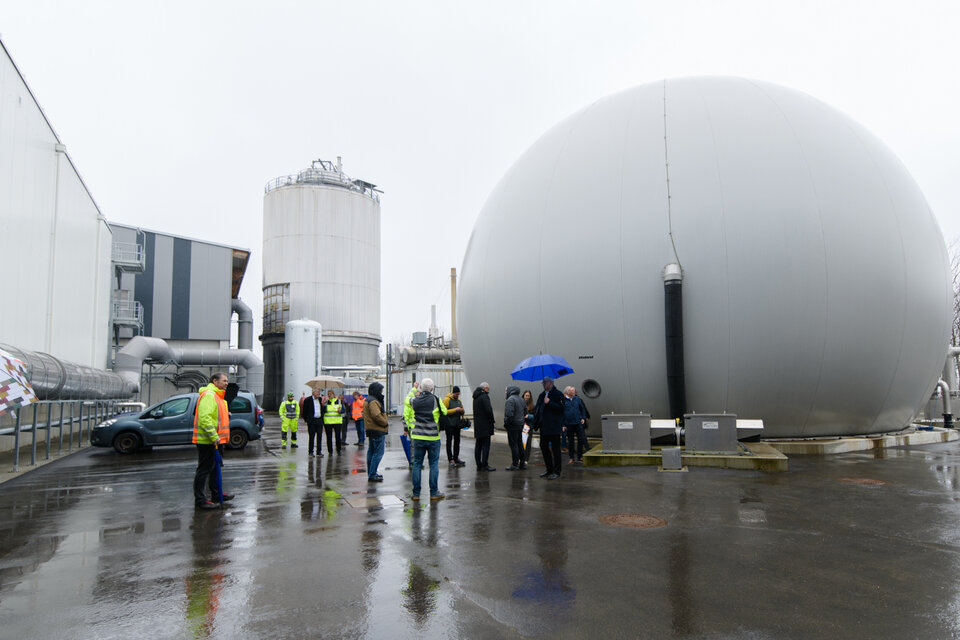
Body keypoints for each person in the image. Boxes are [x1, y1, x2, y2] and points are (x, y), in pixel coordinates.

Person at [193, 372, 233, 509]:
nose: (226, 383)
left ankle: (217, 494)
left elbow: (215, 416)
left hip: (217, 441)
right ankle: (200, 501)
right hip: (208, 441)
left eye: (227, 381)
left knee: (215, 468)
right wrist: (213, 436)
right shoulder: (210, 395)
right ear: (215, 381)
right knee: (204, 470)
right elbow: (204, 418)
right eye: (224, 381)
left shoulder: (218, 396)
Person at [409, 378, 448, 500]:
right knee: (433, 464)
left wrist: (413, 389)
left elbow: (407, 401)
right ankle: (433, 492)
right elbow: (445, 412)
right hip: (433, 437)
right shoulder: (436, 399)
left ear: (421, 388)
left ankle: (416, 494)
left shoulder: (415, 400)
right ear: (432, 389)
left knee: (417, 464)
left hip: (418, 436)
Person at [534, 377, 566, 479]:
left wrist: (550, 403)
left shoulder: (558, 394)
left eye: (545, 382)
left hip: (554, 426)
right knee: (543, 446)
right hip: (544, 426)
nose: (543, 384)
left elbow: (562, 408)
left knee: (556, 449)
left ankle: (557, 471)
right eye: (542, 382)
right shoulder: (541, 395)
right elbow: (538, 409)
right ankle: (549, 469)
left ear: (551, 383)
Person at [363, 382, 389, 481]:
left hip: (372, 429)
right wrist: (385, 422)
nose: (382, 393)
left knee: (372, 452)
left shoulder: (368, 399)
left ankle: (371, 472)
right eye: (381, 391)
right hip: (377, 430)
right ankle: (372, 474)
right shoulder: (373, 401)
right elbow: (376, 415)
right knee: (378, 453)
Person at [472, 383, 496, 471]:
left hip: (478, 425)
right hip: (485, 425)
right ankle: (485, 464)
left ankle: (479, 464)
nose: (488, 390)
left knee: (478, 445)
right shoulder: (484, 396)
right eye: (488, 389)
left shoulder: (475, 397)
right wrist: (492, 420)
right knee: (486, 445)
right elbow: (488, 410)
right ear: (485, 388)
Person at [441, 386, 466, 466]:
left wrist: (462, 410)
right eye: (456, 394)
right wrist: (455, 410)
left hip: (457, 425)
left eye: (458, 394)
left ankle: (456, 457)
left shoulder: (458, 400)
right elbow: (444, 411)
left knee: (457, 441)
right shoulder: (447, 400)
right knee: (449, 441)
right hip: (449, 425)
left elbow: (463, 410)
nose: (457, 396)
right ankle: (450, 459)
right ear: (453, 393)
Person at [503, 385, 527, 470]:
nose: (506, 392)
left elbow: (509, 414)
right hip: (520, 424)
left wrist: (506, 423)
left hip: (512, 425)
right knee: (519, 444)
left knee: (513, 444)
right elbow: (525, 412)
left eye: (506, 391)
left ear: (510, 390)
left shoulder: (510, 400)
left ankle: (515, 464)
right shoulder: (521, 399)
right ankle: (522, 463)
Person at [562, 386, 588, 464]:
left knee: (581, 439)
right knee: (571, 441)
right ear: (567, 392)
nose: (574, 392)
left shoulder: (577, 399)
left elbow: (582, 408)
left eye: (573, 390)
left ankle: (579, 456)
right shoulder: (563, 401)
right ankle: (571, 457)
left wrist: (583, 417)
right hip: (569, 424)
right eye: (571, 391)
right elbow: (561, 413)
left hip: (578, 423)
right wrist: (563, 424)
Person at [301, 387, 325, 456]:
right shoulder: (307, 400)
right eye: (317, 392)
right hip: (312, 421)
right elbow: (304, 411)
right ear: (313, 392)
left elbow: (322, 410)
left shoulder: (320, 400)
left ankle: (319, 451)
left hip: (319, 420)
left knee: (319, 436)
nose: (319, 394)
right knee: (312, 437)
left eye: (319, 392)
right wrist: (307, 420)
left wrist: (323, 405)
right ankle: (311, 452)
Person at [323, 389, 345, 454]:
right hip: (328, 422)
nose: (329, 395)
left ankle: (338, 450)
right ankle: (330, 451)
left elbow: (343, 410)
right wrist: (324, 405)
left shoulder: (338, 401)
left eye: (331, 394)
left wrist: (340, 411)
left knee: (338, 437)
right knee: (329, 437)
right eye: (328, 394)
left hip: (337, 421)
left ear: (333, 394)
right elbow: (324, 412)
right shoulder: (326, 402)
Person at [522, 390, 536, 463]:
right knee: (521, 443)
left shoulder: (533, 405)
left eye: (528, 396)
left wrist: (528, 416)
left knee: (528, 443)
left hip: (529, 427)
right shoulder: (520, 403)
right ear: (523, 396)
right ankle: (520, 457)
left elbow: (535, 416)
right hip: (521, 426)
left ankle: (526, 459)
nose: (527, 397)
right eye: (526, 395)